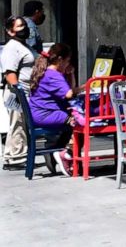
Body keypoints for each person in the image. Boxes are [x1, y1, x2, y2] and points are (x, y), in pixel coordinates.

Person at [27, 43, 78, 175]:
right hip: (46, 114)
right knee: (79, 121)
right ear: (60, 59)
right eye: (67, 61)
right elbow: (69, 94)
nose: (67, 64)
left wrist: (70, 74)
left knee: (73, 119)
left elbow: (67, 91)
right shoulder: (53, 75)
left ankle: (54, 150)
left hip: (38, 113)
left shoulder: (45, 71)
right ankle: (66, 153)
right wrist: (84, 86)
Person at [1, 16, 37, 169]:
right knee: (18, 124)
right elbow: (9, 72)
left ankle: (12, 156)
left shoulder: (23, 45)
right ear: (10, 31)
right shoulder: (12, 47)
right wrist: (19, 91)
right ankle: (16, 158)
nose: (25, 29)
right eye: (20, 26)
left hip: (25, 91)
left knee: (19, 124)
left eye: (25, 25)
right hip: (17, 93)